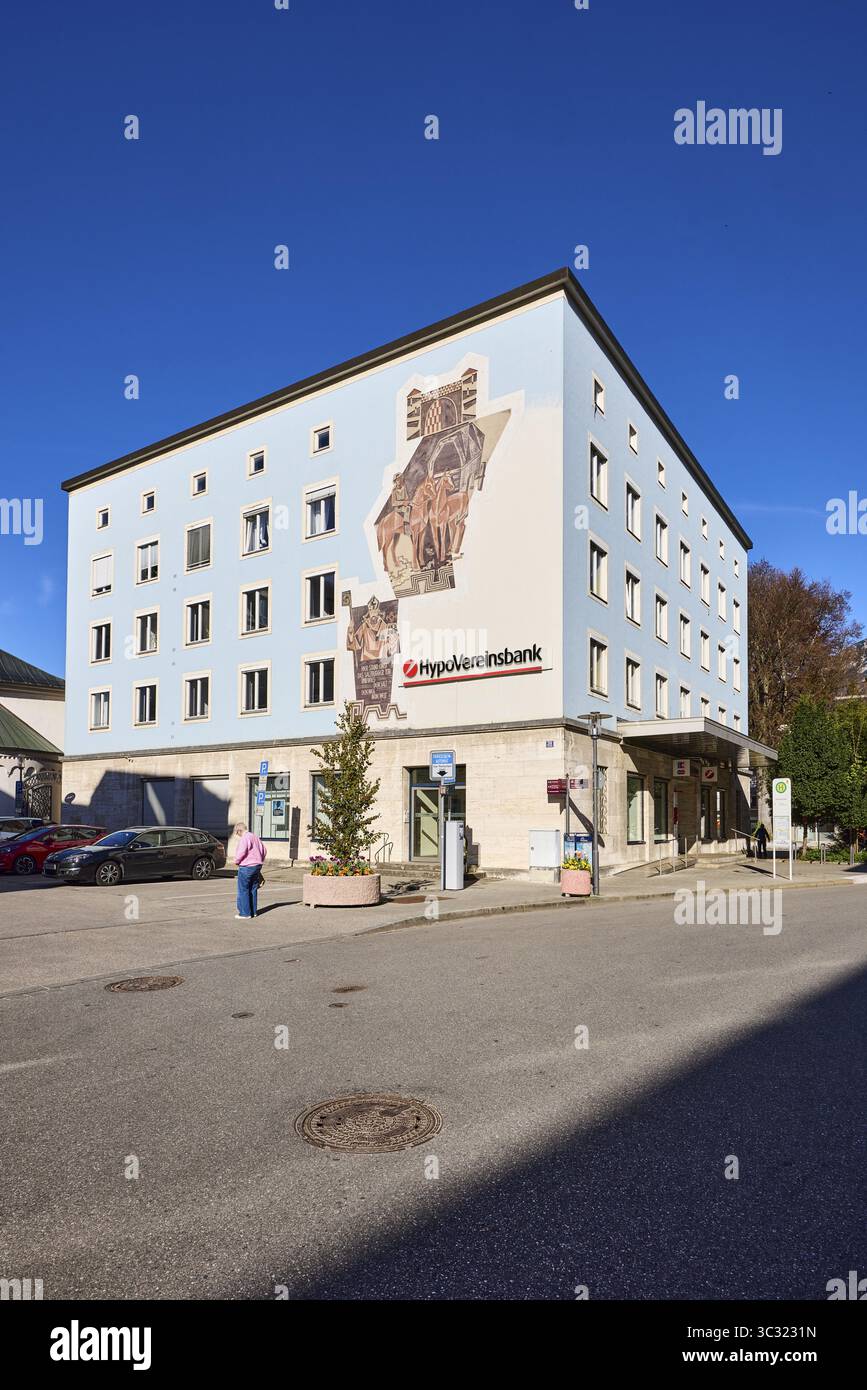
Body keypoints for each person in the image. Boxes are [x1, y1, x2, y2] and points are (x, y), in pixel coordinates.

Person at [233, 822, 266, 919]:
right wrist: (260, 860)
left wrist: (237, 861)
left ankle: (245, 913)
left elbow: (242, 851)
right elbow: (264, 850)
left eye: (236, 833)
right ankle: (253, 911)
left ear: (239, 830)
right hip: (257, 866)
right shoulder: (254, 837)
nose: (237, 835)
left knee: (243, 890)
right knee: (253, 888)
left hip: (246, 866)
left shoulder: (245, 838)